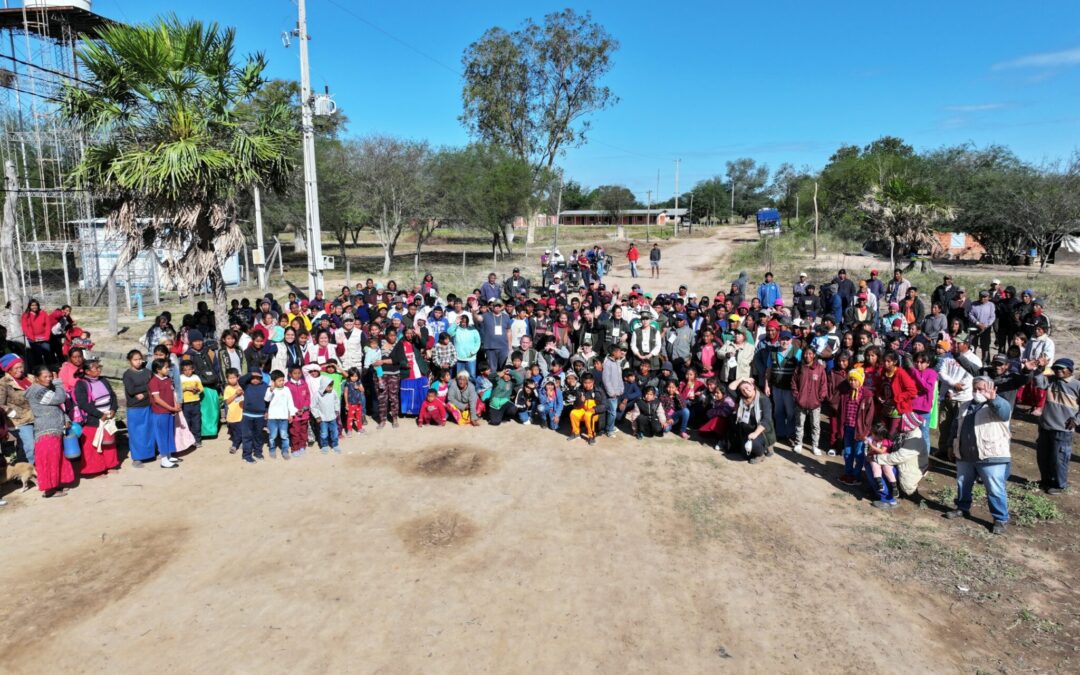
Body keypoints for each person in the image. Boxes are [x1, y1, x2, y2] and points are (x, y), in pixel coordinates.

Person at [25, 365, 74, 497]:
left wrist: (65, 418)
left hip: (54, 429)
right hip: (46, 430)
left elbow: (56, 407)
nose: (49, 379)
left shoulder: (44, 389)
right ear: (37, 378)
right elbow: (59, 399)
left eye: (50, 376)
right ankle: (49, 490)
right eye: (45, 377)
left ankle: (56, 485)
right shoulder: (37, 391)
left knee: (55, 458)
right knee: (49, 460)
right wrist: (58, 382)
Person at [1033, 358, 1080, 494]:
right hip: (1045, 426)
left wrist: (1077, 420)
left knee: (1059, 458)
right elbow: (1039, 382)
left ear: (1070, 370)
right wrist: (1040, 369)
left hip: (1063, 429)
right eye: (1056, 368)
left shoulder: (1077, 385)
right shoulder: (1051, 380)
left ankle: (1060, 485)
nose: (1058, 371)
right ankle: (1046, 481)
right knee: (1043, 456)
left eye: (1062, 368)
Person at [73, 358, 120, 476]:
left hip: (108, 417)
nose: (99, 370)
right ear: (87, 371)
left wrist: (113, 409)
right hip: (93, 419)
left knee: (108, 442)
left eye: (100, 367)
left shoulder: (103, 380)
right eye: (96, 368)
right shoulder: (81, 384)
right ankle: (95, 470)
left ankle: (110, 465)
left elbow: (112, 396)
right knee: (93, 445)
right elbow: (83, 403)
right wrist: (100, 415)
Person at [838, 369, 874, 485]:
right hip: (848, 427)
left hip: (860, 430)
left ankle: (856, 476)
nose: (852, 382)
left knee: (859, 453)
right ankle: (848, 473)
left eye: (855, 380)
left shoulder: (866, 395)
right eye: (851, 380)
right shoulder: (846, 394)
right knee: (848, 452)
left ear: (860, 381)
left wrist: (865, 431)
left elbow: (869, 416)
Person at [791, 348, 828, 455]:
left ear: (814, 355)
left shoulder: (820, 368)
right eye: (805, 353)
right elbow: (793, 382)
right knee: (799, 423)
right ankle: (798, 443)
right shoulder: (799, 367)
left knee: (815, 425)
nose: (807, 356)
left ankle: (815, 445)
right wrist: (797, 396)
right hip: (800, 402)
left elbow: (824, 385)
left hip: (815, 403)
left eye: (810, 353)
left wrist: (820, 398)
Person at [729, 377, 775, 464]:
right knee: (745, 455)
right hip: (746, 431)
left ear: (753, 386)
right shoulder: (741, 398)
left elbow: (766, 419)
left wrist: (755, 433)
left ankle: (761, 454)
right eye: (742, 390)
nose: (745, 391)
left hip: (761, 432)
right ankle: (759, 446)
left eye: (747, 388)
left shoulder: (763, 399)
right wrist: (742, 379)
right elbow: (730, 388)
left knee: (753, 444)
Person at [122, 350, 155, 467]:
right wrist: (146, 388)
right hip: (134, 407)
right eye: (135, 359)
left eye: (140, 359)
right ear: (130, 361)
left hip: (148, 405)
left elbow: (153, 386)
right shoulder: (127, 374)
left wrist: (144, 393)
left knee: (148, 430)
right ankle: (137, 458)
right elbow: (131, 390)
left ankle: (150, 454)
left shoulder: (147, 372)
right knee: (136, 432)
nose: (138, 361)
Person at [0, 354, 34, 465]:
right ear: (9, 370)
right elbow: (0, 404)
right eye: (17, 368)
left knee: (37, 444)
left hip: (36, 416)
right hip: (20, 420)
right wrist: (11, 412)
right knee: (30, 445)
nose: (20, 370)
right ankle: (32, 468)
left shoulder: (30, 378)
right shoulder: (3, 383)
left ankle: (23, 467)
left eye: (21, 367)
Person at [147, 358, 181, 469]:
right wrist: (171, 407)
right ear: (158, 369)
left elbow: (172, 393)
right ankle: (164, 459)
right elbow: (157, 399)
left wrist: (175, 405)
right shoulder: (154, 381)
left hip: (170, 411)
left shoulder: (168, 379)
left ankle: (169, 455)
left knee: (169, 433)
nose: (168, 369)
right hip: (160, 412)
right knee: (161, 435)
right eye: (166, 367)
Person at [865, 423, 900, 509]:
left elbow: (881, 451)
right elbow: (867, 451)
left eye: (873, 433)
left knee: (885, 470)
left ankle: (888, 496)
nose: (871, 434)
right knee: (874, 467)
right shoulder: (873, 439)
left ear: (879, 435)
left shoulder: (885, 441)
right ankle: (880, 486)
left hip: (884, 460)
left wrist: (871, 446)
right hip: (876, 459)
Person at [238, 369, 269, 464]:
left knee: (258, 435)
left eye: (257, 378)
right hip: (247, 415)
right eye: (253, 378)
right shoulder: (246, 385)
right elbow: (240, 380)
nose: (255, 380)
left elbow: (268, 400)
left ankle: (258, 452)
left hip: (260, 416)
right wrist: (251, 373)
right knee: (247, 436)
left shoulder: (265, 386)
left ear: (261, 378)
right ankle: (246, 455)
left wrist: (267, 411)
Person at [266, 370, 296, 459]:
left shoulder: (286, 389)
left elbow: (290, 402)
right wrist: (270, 390)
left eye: (283, 380)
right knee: (272, 436)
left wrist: (291, 414)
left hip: (284, 418)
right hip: (273, 418)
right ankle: (272, 449)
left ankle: (285, 451)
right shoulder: (270, 389)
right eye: (279, 380)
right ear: (273, 381)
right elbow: (266, 399)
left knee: (284, 436)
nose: (282, 382)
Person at [20, 298, 54, 370]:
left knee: (47, 353)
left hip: (44, 338)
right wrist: (32, 338)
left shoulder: (43, 313)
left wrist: (47, 336)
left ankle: (50, 369)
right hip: (33, 339)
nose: (34, 307)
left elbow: (48, 325)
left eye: (36, 305)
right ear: (29, 306)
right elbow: (25, 328)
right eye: (32, 305)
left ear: (38, 306)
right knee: (37, 355)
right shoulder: (26, 315)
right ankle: (40, 370)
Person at [569, 373, 601, 445]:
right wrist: (580, 401)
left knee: (588, 415)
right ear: (582, 382)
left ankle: (591, 436)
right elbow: (576, 406)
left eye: (589, 383)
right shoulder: (580, 390)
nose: (587, 385)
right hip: (583, 410)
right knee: (573, 413)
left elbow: (605, 404)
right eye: (585, 383)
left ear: (593, 382)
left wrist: (595, 409)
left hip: (595, 412)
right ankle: (575, 433)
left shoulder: (598, 390)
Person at [600, 345, 625, 437]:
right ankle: (609, 430)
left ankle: (611, 426)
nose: (621, 353)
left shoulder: (617, 362)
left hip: (617, 392)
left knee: (613, 411)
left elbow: (620, 378)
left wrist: (621, 388)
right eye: (619, 351)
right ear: (613, 353)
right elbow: (606, 379)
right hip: (611, 394)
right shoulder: (607, 363)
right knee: (612, 412)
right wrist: (611, 393)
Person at [178, 360, 204, 449]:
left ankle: (197, 440)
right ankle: (188, 441)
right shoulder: (180, 378)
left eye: (189, 369)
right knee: (186, 423)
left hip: (195, 402)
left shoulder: (196, 377)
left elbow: (201, 388)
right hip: (185, 404)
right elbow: (178, 389)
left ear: (193, 369)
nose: (187, 372)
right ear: (182, 371)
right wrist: (186, 388)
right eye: (185, 370)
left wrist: (197, 389)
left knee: (196, 422)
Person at [312, 376, 341, 453]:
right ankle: (324, 445)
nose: (331, 388)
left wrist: (337, 410)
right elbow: (313, 406)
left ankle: (335, 445)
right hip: (323, 419)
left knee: (334, 432)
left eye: (331, 386)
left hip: (332, 417)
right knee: (324, 433)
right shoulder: (317, 395)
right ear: (324, 386)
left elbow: (336, 401)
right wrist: (317, 416)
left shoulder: (333, 392)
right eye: (329, 386)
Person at [221, 368, 244, 454]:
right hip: (232, 415)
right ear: (227, 379)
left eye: (234, 377)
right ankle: (238, 442)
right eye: (230, 378)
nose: (232, 379)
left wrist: (242, 393)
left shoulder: (242, 386)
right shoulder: (228, 388)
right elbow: (227, 401)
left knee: (241, 430)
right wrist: (236, 394)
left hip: (242, 413)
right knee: (235, 432)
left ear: (238, 377)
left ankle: (235, 445)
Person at [344, 367, 365, 435]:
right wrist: (346, 403)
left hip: (358, 403)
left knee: (358, 416)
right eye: (352, 376)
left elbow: (363, 390)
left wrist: (358, 387)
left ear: (358, 376)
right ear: (349, 376)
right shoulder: (347, 383)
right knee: (350, 417)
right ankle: (349, 430)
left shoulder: (359, 382)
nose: (354, 378)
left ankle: (360, 428)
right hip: (351, 403)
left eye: (356, 376)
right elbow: (345, 393)